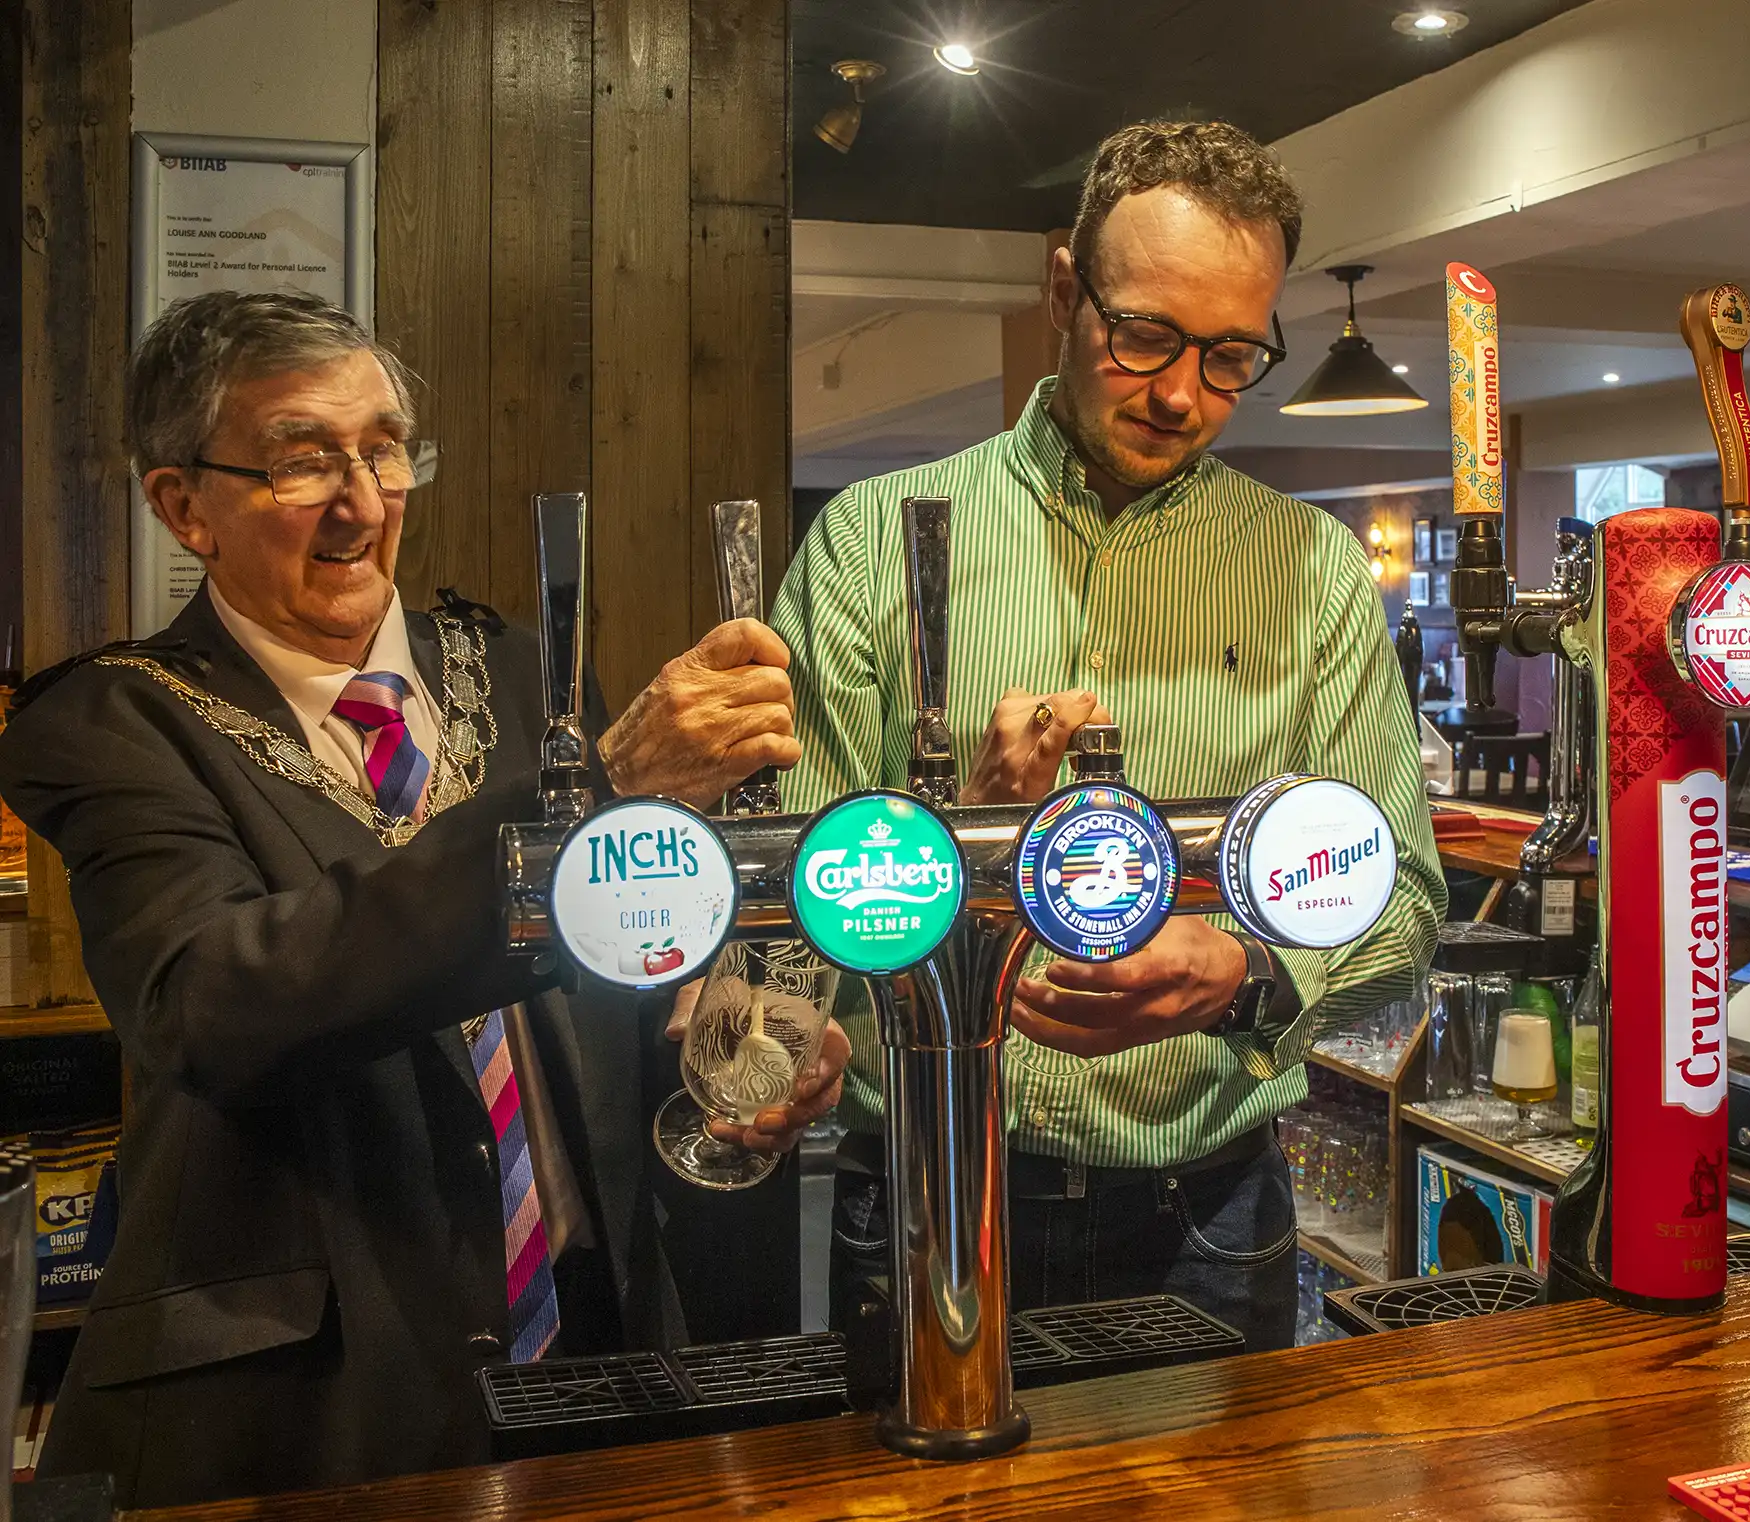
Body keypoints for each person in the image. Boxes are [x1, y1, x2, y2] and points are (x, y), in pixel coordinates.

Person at [0, 291, 846, 1509]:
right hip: (310, 1395)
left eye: (384, 449)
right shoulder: (113, 720)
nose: (361, 501)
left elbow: (614, 951)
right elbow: (216, 1002)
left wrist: (715, 1036)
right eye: (302, 463)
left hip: (592, 1347)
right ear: (182, 504)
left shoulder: (514, 664)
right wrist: (598, 789)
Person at [770, 120, 1446, 1352]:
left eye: (1232, 353)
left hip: (1209, 1208)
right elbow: (786, 894)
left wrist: (1251, 972)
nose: (1182, 392)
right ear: (1060, 287)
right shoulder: (873, 540)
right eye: (1144, 335)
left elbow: (1397, 893)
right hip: (928, 1184)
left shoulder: (1312, 571)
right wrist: (947, 861)